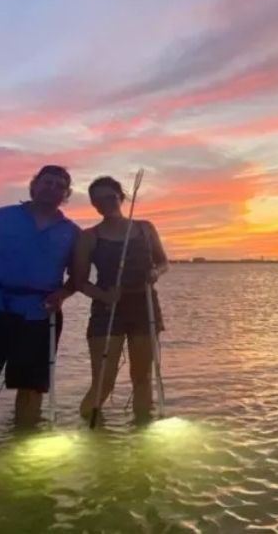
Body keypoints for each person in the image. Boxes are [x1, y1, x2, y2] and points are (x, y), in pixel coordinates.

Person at [0, 165, 81, 442]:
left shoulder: (73, 232)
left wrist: (63, 294)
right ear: (34, 185)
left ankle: (22, 447)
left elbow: (77, 277)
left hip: (41, 314)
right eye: (48, 182)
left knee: (32, 386)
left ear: (66, 194)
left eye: (60, 186)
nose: (53, 188)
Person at [75, 176, 170, 425]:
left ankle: (142, 435)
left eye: (110, 197)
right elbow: (79, 281)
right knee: (103, 382)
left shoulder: (145, 228)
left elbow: (163, 263)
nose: (105, 203)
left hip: (144, 306)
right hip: (107, 309)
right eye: (98, 200)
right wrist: (104, 295)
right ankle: (87, 433)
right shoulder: (89, 237)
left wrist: (155, 273)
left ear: (121, 197)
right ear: (94, 205)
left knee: (142, 377)